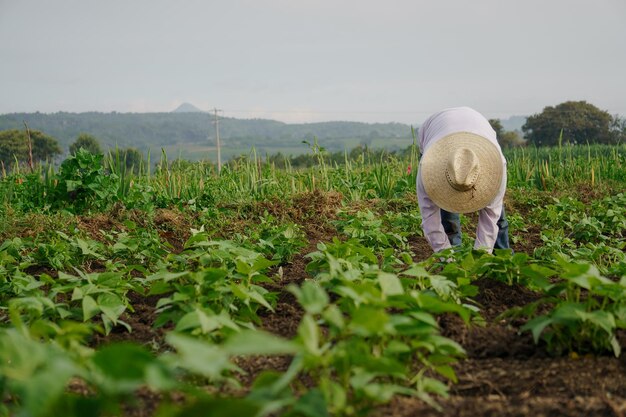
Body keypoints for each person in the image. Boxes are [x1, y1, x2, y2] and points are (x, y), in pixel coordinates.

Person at [416, 106, 510, 254]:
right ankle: (454, 254)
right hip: (433, 130)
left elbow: (491, 217)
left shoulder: (498, 166)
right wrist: (447, 258)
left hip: (479, 125)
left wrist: (481, 258)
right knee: (445, 211)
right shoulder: (427, 168)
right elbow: (430, 220)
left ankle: (502, 257)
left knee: (497, 216)